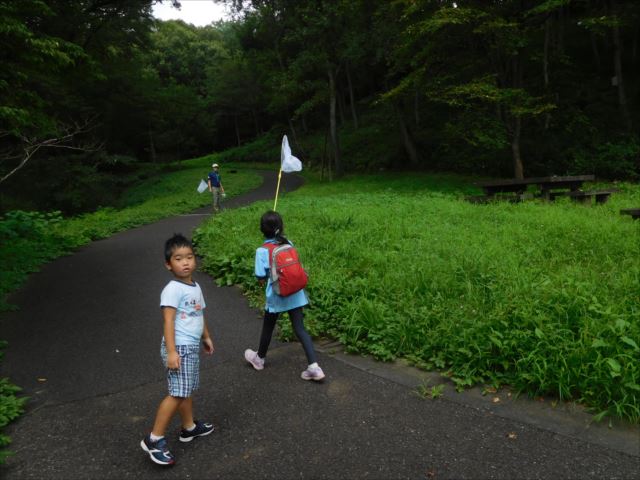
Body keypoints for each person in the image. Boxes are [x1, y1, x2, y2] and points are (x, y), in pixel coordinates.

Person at [140, 234, 215, 466]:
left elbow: (199, 313)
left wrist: (206, 336)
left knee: (186, 389)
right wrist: (172, 351)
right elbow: (168, 322)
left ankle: (189, 428)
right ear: (168, 264)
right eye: (178, 258)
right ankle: (154, 439)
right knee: (178, 392)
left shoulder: (195, 286)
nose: (185, 262)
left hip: (190, 345)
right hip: (179, 347)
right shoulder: (172, 289)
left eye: (190, 257)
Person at [244, 211, 325, 381]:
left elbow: (260, 275)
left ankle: (259, 359)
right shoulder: (288, 243)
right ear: (281, 227)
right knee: (300, 329)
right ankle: (314, 367)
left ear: (261, 230)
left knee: (268, 327)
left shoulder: (262, 250)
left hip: (277, 295)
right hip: (296, 294)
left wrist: (264, 276)